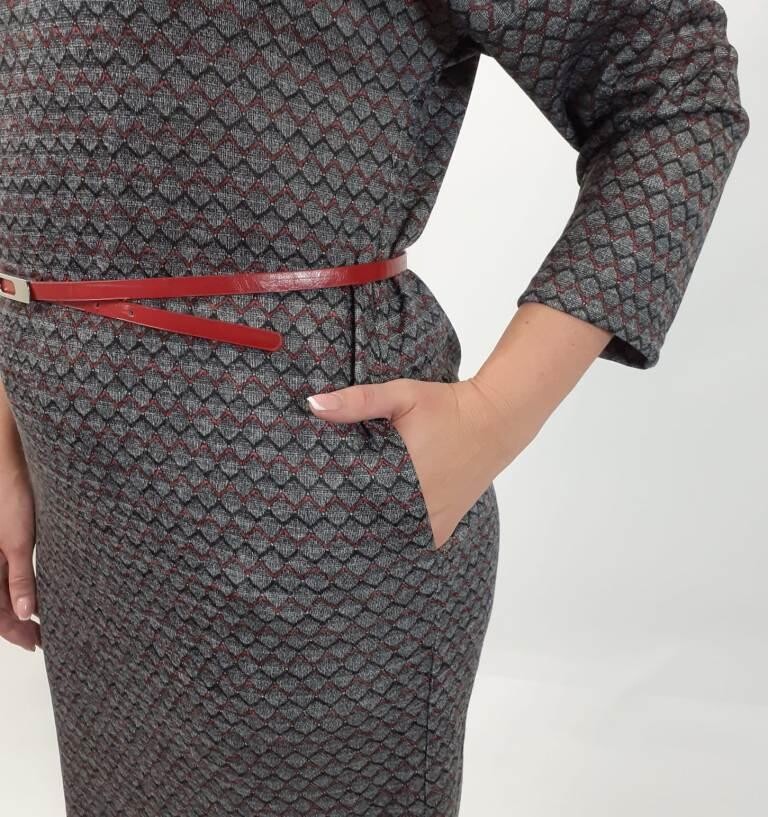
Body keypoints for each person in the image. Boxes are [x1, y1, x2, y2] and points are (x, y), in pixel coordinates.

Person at [0, 1, 749, 815]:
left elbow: (674, 82)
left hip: (307, 529)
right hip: (86, 528)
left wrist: (493, 416)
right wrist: (12, 422)